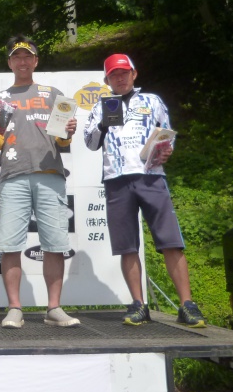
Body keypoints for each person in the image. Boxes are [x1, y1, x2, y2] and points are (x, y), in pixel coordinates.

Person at [83, 53, 206, 327]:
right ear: (107, 80)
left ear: (134, 74)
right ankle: (139, 304)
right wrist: (103, 123)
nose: (120, 77)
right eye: (114, 74)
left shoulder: (153, 100)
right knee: (127, 246)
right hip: (116, 179)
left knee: (170, 240)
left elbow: (167, 134)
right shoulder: (99, 106)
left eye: (124, 72)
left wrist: (167, 151)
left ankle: (188, 305)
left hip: (151, 177)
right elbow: (90, 143)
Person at [0, 36, 80, 329]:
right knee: (10, 244)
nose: (22, 62)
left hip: (50, 174)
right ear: (10, 62)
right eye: (16, 57)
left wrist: (69, 130)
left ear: (35, 61)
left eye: (27, 57)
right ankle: (14, 308)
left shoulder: (53, 94)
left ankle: (54, 308)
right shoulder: (0, 99)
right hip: (13, 174)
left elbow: (62, 139)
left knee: (55, 243)